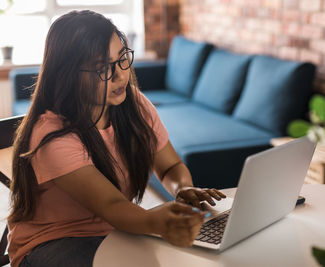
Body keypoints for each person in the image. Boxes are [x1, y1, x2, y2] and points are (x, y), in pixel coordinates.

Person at [8, 10, 225, 267]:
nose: (120, 74)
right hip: (54, 241)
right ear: (67, 74)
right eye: (103, 68)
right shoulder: (52, 136)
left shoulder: (134, 104)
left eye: (122, 58)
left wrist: (183, 189)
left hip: (114, 229)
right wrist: (158, 222)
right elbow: (111, 205)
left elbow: (170, 166)